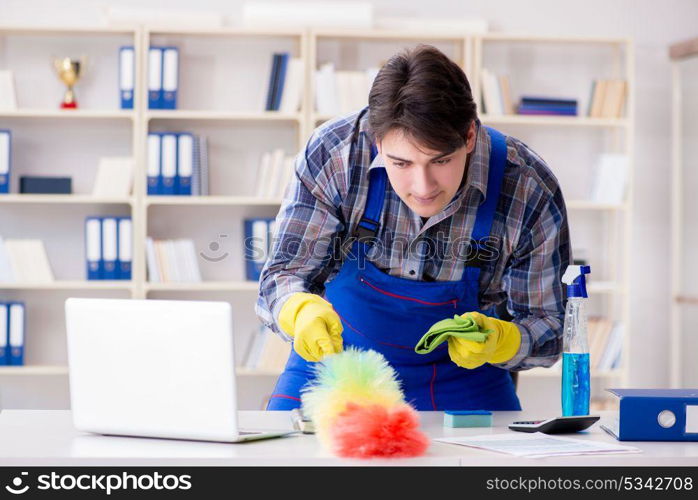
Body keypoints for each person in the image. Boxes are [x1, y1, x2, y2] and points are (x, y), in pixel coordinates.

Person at [256, 44, 570, 411]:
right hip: (336, 369)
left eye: (442, 161)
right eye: (401, 163)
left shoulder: (527, 185)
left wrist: (506, 340)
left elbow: (549, 326)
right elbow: (281, 276)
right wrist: (297, 309)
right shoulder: (334, 155)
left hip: (465, 382)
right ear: (377, 141)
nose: (423, 187)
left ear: (469, 135)